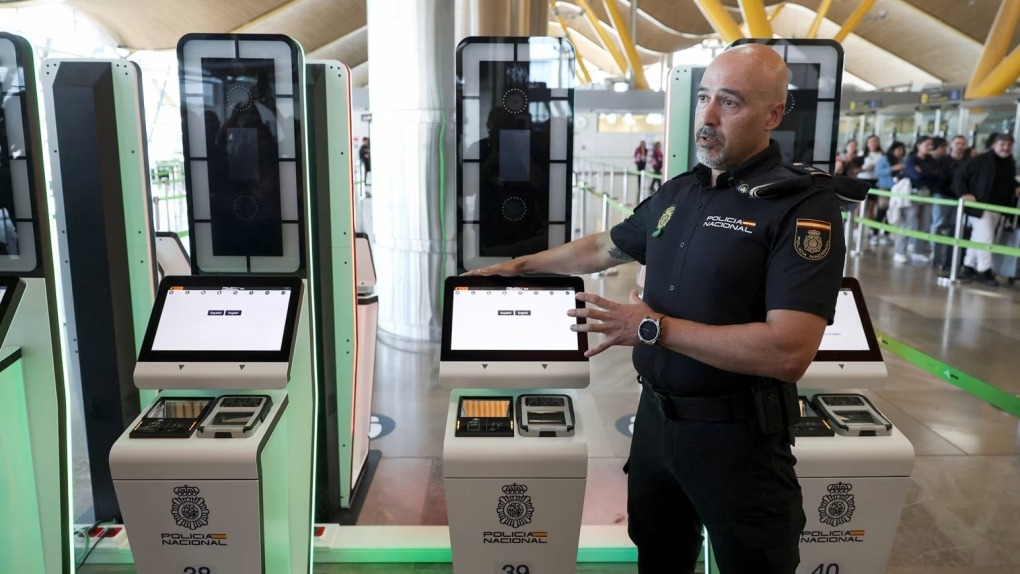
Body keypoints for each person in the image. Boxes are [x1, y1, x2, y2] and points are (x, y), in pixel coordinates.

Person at [468, 43, 860, 573]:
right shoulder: (681, 193)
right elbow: (605, 247)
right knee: (658, 558)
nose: (708, 116)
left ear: (772, 115)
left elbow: (788, 352)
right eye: (703, 98)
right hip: (655, 425)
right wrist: (524, 264)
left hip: (738, 440)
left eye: (729, 102)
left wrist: (653, 329)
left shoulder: (801, 207)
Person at [956, 132, 1019, 286]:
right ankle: (984, 270)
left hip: (997, 206)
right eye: (1002, 144)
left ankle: (969, 265)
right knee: (986, 237)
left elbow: (1008, 181)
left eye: (1009, 145)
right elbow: (959, 176)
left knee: (978, 236)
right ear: (994, 145)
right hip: (979, 206)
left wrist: (1016, 187)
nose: (1005, 148)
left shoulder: (1009, 162)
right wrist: (964, 193)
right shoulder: (980, 160)